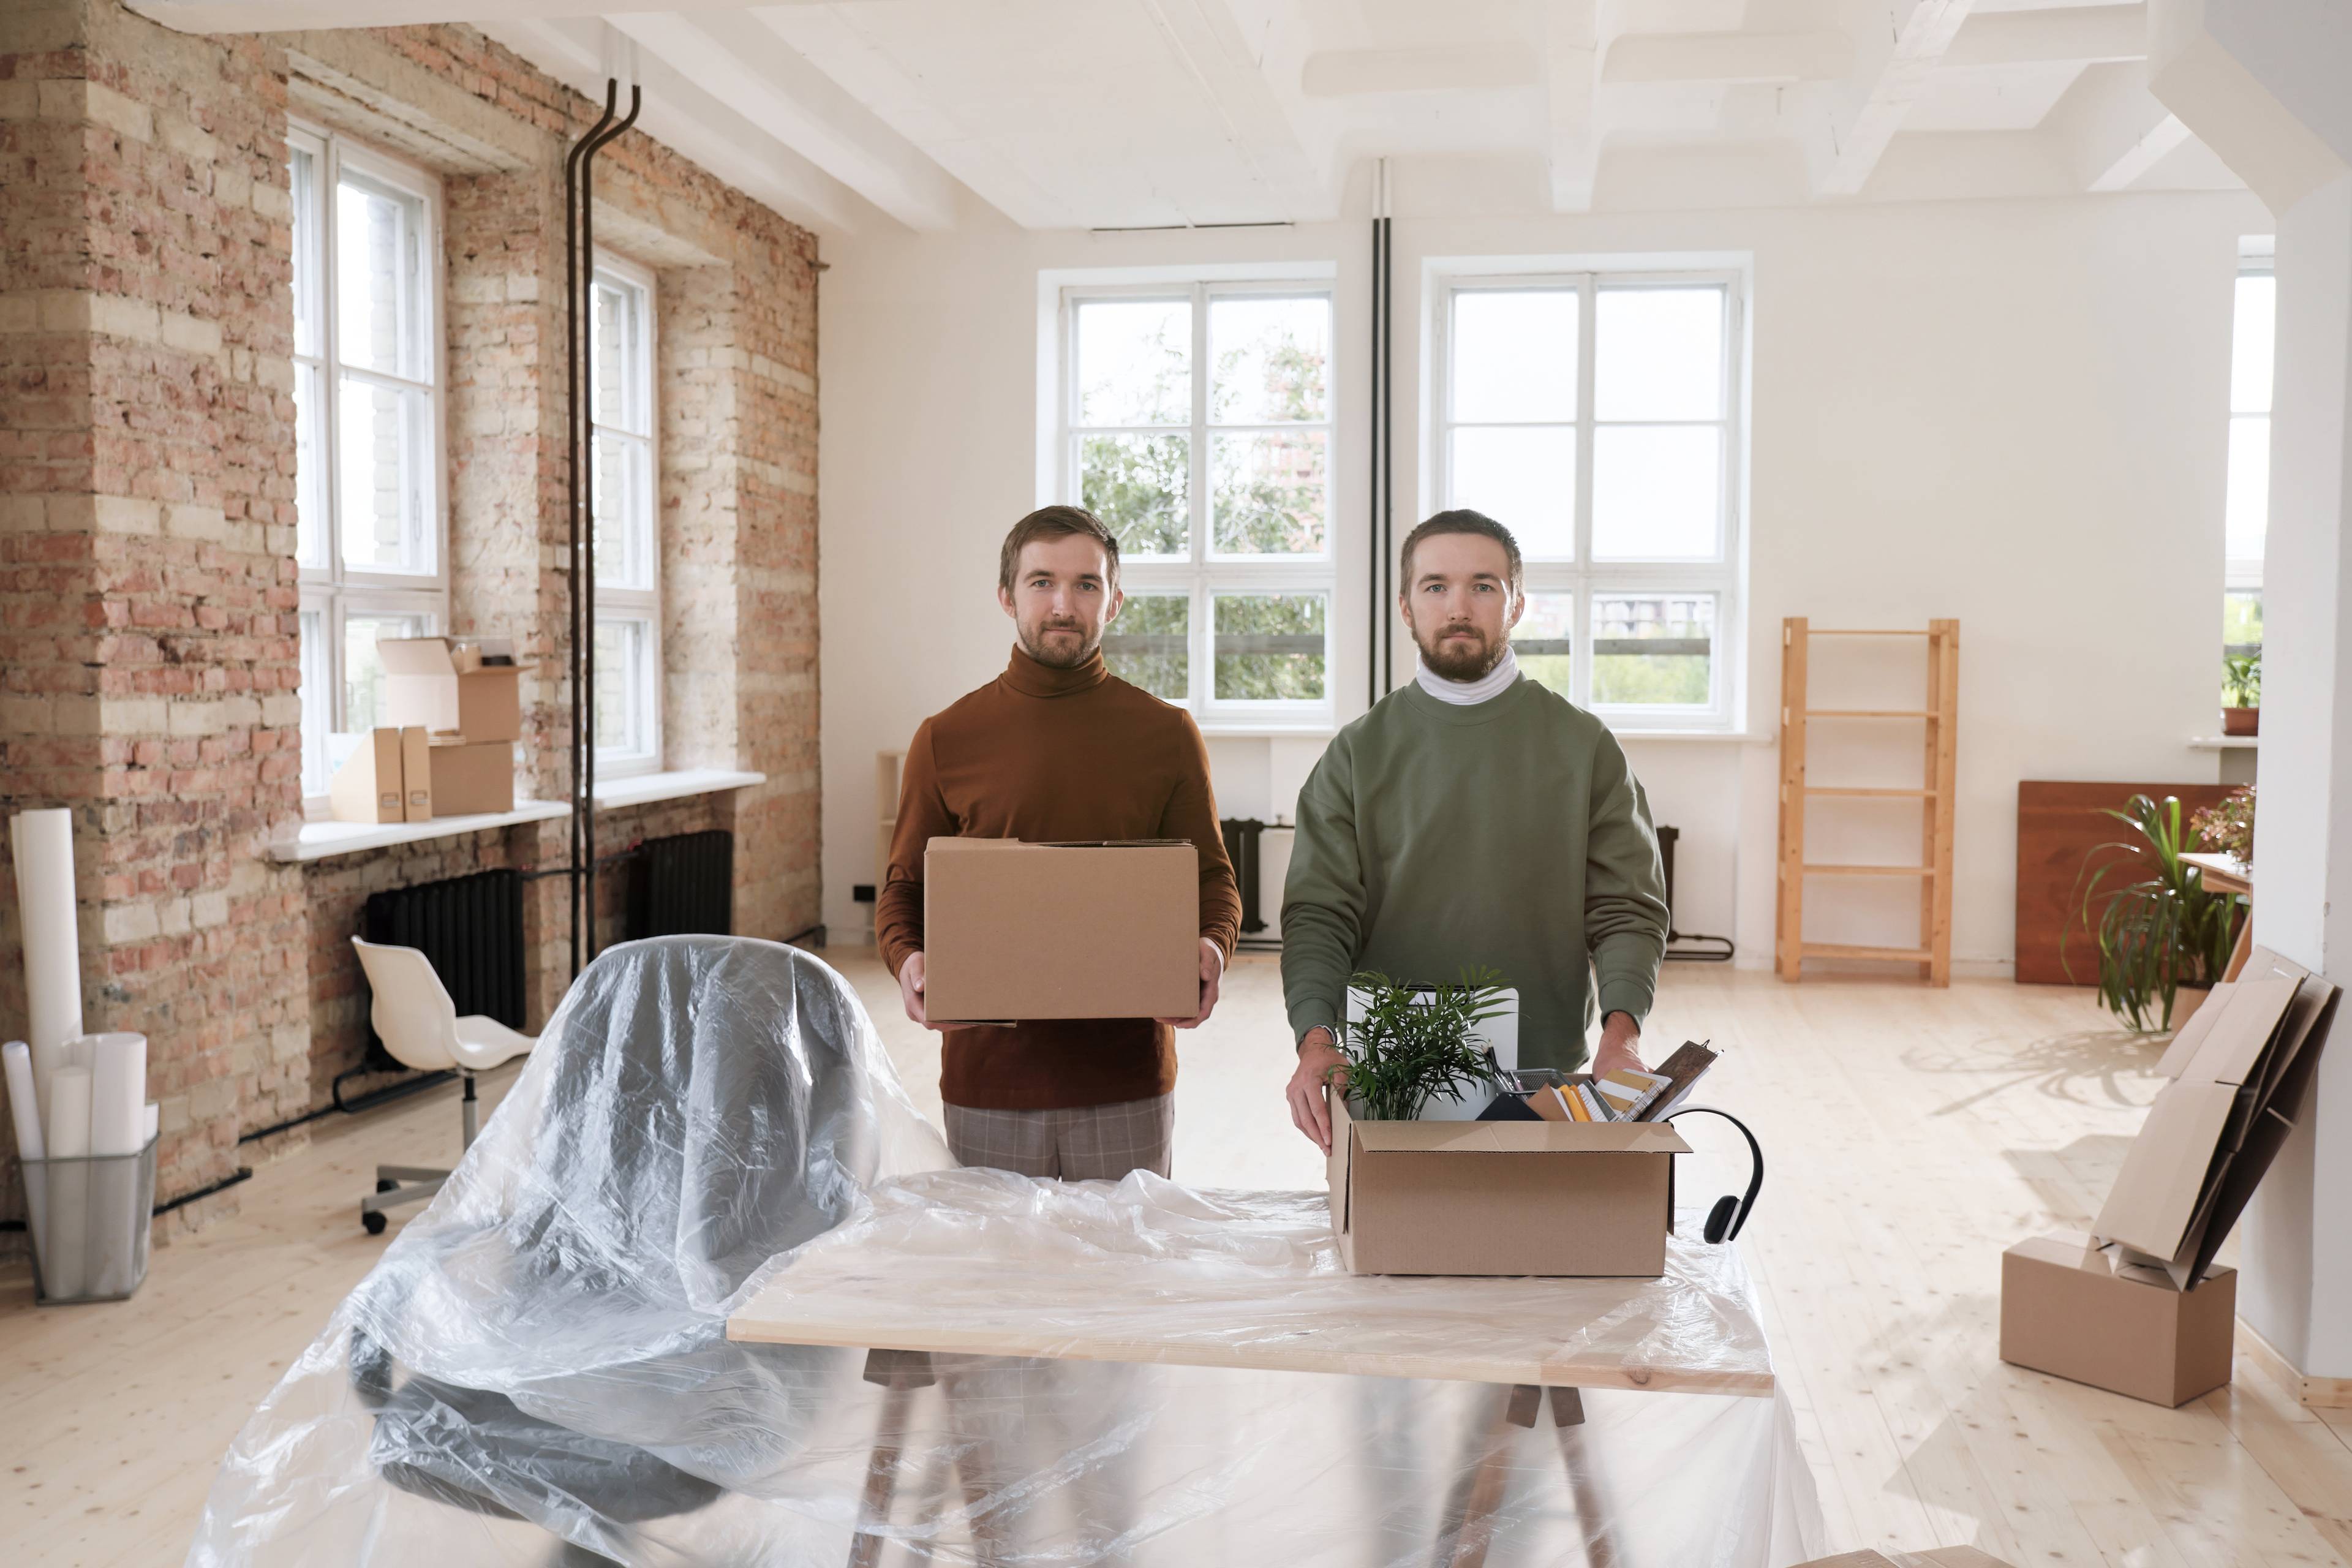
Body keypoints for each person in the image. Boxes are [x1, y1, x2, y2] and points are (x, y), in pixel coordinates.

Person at [1281, 508, 1671, 1152]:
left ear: (1516, 603)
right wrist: (1317, 1039)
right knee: (1396, 1254)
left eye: (1483, 586)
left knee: (1540, 1248)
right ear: (1406, 606)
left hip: (1544, 1078)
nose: (1458, 606)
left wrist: (1621, 1038)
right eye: (1435, 586)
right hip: (1389, 1078)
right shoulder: (1356, 754)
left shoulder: (1584, 747)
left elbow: (1627, 907)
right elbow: (1319, 914)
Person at [876, 504, 1242, 1180]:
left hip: (1125, 1076)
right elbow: (903, 892)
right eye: (1042, 582)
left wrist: (1213, 947)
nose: (1063, 604)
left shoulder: (1166, 734)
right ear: (1006, 596)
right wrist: (910, 962)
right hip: (989, 1078)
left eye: (1087, 584)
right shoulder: (945, 737)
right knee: (1003, 1286)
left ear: (1115, 600)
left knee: (1120, 1278)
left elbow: (1213, 880)